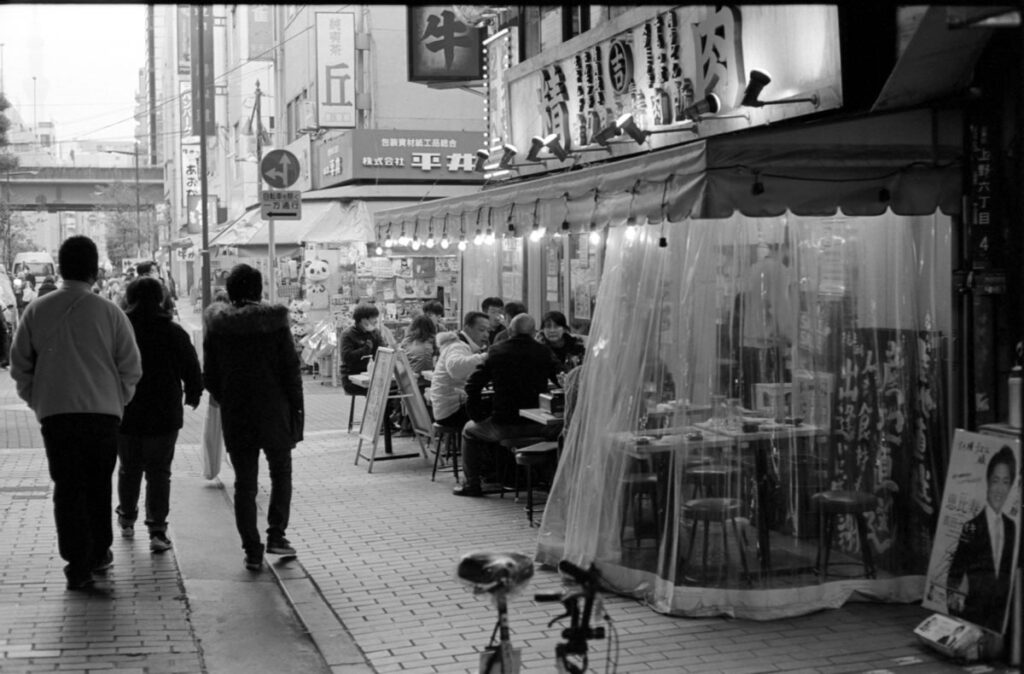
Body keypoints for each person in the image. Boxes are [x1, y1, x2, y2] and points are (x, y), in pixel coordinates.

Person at [9, 236, 143, 590]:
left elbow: (19, 364)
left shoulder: (37, 310)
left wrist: (37, 399)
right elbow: (131, 366)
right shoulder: (109, 311)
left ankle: (77, 564)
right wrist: (118, 400)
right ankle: (99, 552)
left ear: (62, 266)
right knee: (98, 486)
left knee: (67, 488)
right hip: (102, 416)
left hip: (57, 416)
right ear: (93, 269)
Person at [203, 263, 304, 571]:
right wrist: (296, 413)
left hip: (238, 415)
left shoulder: (218, 327)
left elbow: (211, 377)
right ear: (259, 290)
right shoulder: (275, 324)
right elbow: (291, 372)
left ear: (230, 291)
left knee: (245, 483)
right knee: (280, 474)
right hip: (275, 411)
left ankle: (251, 549)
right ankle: (276, 535)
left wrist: (230, 397)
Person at [116, 277, 203, 553]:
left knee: (129, 468)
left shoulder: (120, 330)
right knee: (158, 471)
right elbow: (191, 367)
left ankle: (126, 518)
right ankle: (157, 530)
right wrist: (193, 393)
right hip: (163, 412)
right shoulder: (172, 331)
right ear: (160, 299)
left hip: (125, 410)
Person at [454, 314, 562, 497]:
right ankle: (551, 481)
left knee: (469, 431)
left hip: (504, 425)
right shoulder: (543, 352)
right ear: (535, 332)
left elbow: (472, 386)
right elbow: (563, 380)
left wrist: (477, 414)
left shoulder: (496, 351)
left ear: (510, 331)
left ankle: (472, 484)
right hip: (540, 426)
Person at [946, 446, 1017, 632]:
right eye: (995, 481)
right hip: (972, 615)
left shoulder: (1012, 528)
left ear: (1011, 486)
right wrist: (955, 605)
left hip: (1001, 617)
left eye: (1005, 482)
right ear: (987, 482)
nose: (1000, 489)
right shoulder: (972, 526)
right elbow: (955, 572)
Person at [733, 241, 795, 407]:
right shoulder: (779, 270)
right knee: (771, 403)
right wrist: (791, 337)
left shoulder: (753, 269)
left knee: (752, 401)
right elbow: (780, 308)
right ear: (783, 248)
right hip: (768, 347)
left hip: (748, 344)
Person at [428, 311, 489, 430]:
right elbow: (455, 369)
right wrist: (486, 357)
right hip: (451, 412)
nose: (486, 335)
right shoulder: (457, 346)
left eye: (488, 331)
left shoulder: (461, 345)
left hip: (445, 409)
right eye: (482, 330)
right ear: (467, 328)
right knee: (499, 413)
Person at [340, 303, 385, 396]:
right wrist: (365, 349)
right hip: (352, 379)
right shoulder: (348, 334)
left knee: (394, 389)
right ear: (363, 320)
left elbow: (382, 352)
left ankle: (389, 411)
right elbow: (347, 357)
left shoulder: (375, 333)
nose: (376, 321)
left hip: (372, 376)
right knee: (381, 392)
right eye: (374, 318)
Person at [399, 315, 438, 388]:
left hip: (410, 384)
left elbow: (400, 362)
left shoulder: (406, 341)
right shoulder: (434, 342)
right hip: (430, 384)